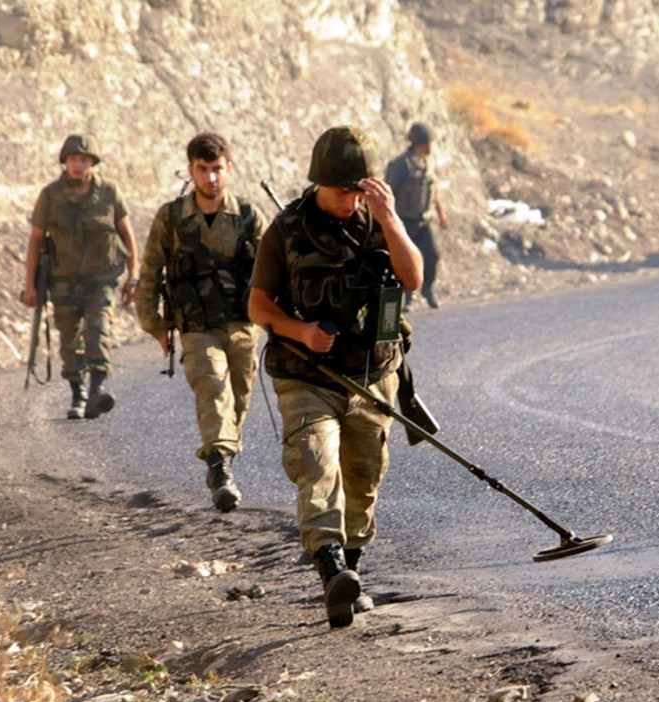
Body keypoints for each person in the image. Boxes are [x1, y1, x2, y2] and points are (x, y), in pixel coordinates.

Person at [248, 126, 423, 628]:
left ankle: (351, 573)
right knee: (317, 463)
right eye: (344, 190)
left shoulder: (378, 223)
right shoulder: (286, 230)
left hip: (372, 375)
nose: (351, 200)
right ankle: (330, 569)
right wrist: (299, 330)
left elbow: (413, 278)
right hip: (307, 374)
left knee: (364, 478)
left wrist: (389, 217)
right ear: (320, 182)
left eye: (359, 190)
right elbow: (258, 306)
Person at [134, 132, 268, 513]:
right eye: (203, 170)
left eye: (217, 170)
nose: (211, 178)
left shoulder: (247, 216)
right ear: (191, 169)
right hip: (196, 326)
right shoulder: (172, 217)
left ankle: (223, 459)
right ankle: (220, 470)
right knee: (212, 386)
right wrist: (155, 326)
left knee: (238, 400)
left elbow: (275, 269)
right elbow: (149, 274)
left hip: (243, 325)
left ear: (229, 170)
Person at [22, 134, 139, 420]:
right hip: (63, 281)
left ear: (93, 163)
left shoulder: (109, 193)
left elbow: (127, 234)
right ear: (65, 162)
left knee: (98, 329)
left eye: (84, 159)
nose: (78, 165)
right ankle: (78, 393)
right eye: (73, 159)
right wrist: (29, 286)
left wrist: (133, 276)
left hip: (101, 279)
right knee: (69, 340)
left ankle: (97, 389)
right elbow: (36, 241)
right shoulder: (50, 195)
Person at [385, 122, 448, 309]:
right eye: (428, 142)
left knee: (433, 255)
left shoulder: (427, 163)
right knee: (406, 260)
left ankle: (427, 287)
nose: (431, 147)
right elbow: (389, 191)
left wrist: (441, 214)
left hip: (424, 220)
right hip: (405, 221)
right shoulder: (401, 164)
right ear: (419, 143)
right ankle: (407, 297)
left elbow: (433, 191)